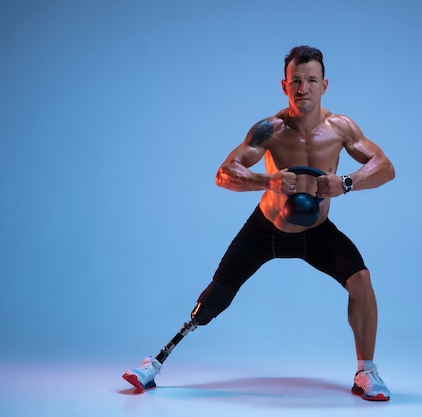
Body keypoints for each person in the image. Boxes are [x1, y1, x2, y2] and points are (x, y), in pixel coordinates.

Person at [123, 45, 395, 401]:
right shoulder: (270, 129)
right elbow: (224, 173)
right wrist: (267, 181)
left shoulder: (341, 128)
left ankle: (366, 372)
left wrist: (346, 183)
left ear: (324, 85)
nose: (303, 89)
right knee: (214, 298)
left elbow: (385, 167)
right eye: (296, 81)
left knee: (361, 281)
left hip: (316, 232)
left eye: (311, 80)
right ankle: (154, 364)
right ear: (284, 86)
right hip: (265, 229)